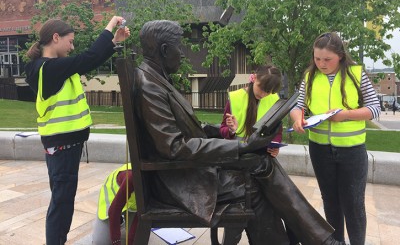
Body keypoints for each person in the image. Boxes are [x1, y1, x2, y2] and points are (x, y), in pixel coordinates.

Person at [130, 19, 345, 245]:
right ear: (165, 50)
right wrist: (241, 146)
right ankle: (320, 241)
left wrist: (218, 131)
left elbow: (183, 130)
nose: (183, 53)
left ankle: (316, 240)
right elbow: (174, 147)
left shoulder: (156, 79)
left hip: (184, 171)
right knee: (256, 184)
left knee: (261, 163)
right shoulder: (150, 86)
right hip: (177, 181)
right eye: (179, 47)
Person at [25, 16, 130, 244]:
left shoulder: (50, 68)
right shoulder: (50, 69)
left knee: (62, 201)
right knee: (61, 204)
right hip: (62, 148)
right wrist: (110, 26)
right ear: (55, 38)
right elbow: (88, 59)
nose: (72, 47)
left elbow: (88, 61)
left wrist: (114, 43)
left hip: (63, 147)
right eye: (70, 41)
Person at [290, 32, 381, 245]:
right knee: (330, 202)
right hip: (320, 149)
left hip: (352, 150)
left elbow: (374, 108)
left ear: (340, 55)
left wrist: (346, 114)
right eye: (317, 58)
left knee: (353, 203)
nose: (321, 64)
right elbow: (297, 106)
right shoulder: (309, 77)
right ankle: (336, 242)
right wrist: (297, 118)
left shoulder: (355, 74)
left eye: (327, 59)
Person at [220, 65, 299, 245]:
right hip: (238, 163)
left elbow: (276, 130)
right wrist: (231, 130)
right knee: (242, 210)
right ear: (253, 78)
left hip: (262, 161)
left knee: (280, 202)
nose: (263, 94)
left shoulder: (273, 100)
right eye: (261, 89)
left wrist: (275, 147)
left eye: (268, 91)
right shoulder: (236, 98)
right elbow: (223, 130)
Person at [92, 164, 137, 245]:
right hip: (112, 200)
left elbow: (141, 215)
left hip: (133, 208)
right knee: (100, 242)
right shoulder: (131, 178)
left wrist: (131, 241)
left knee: (139, 238)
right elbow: (114, 211)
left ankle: (119, 222)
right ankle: (117, 222)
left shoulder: (157, 183)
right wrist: (116, 242)